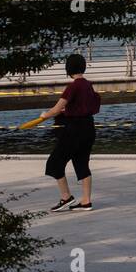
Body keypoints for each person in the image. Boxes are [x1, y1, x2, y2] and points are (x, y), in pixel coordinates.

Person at [40, 53, 101, 212]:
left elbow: (57, 108)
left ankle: (66, 197)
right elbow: (85, 105)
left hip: (74, 129)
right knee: (82, 163)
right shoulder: (88, 85)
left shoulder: (73, 86)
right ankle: (86, 201)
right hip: (89, 128)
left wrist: (44, 115)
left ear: (68, 69)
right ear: (83, 67)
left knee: (54, 163)